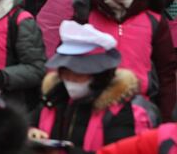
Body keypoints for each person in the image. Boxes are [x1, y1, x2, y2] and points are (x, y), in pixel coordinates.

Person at [73, 0, 177, 121]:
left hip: (139, 113)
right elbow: (67, 63)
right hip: (91, 111)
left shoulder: (153, 21)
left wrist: (165, 118)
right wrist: (79, 20)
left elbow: (166, 73)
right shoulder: (88, 16)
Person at [29, 20, 153, 152]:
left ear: (98, 75)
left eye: (78, 74)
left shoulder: (119, 111)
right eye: (66, 74)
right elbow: (29, 123)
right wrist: (30, 132)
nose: (71, 80)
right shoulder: (53, 99)